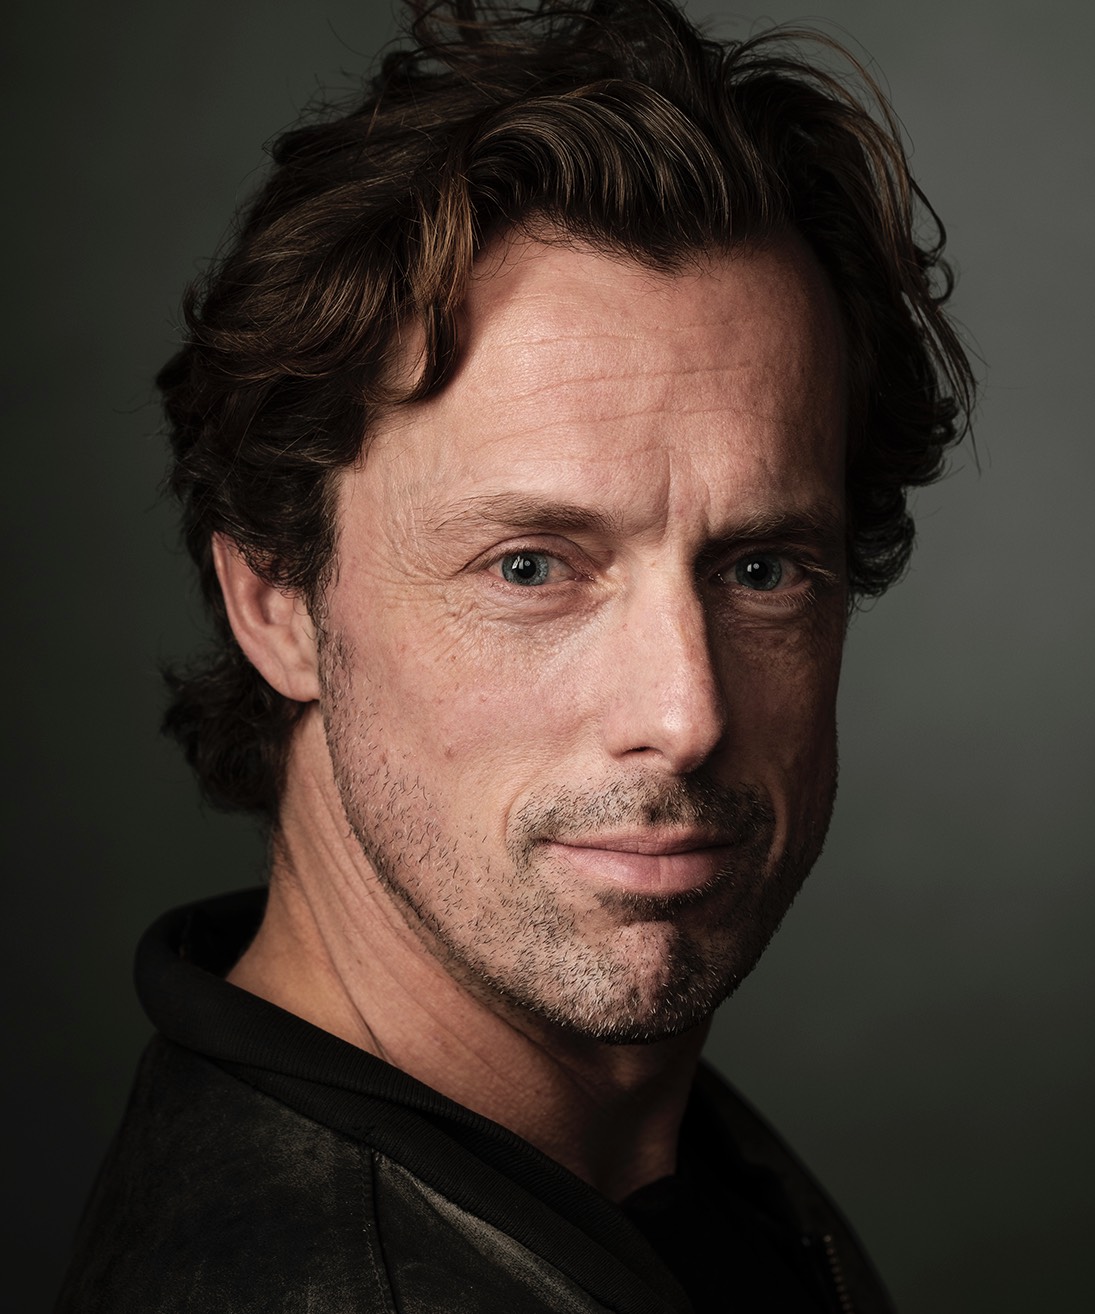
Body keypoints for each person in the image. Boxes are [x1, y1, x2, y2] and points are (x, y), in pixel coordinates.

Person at [58, 1, 973, 1310]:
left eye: (762, 568)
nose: (686, 712)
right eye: (531, 567)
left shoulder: (652, 1179)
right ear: (276, 601)